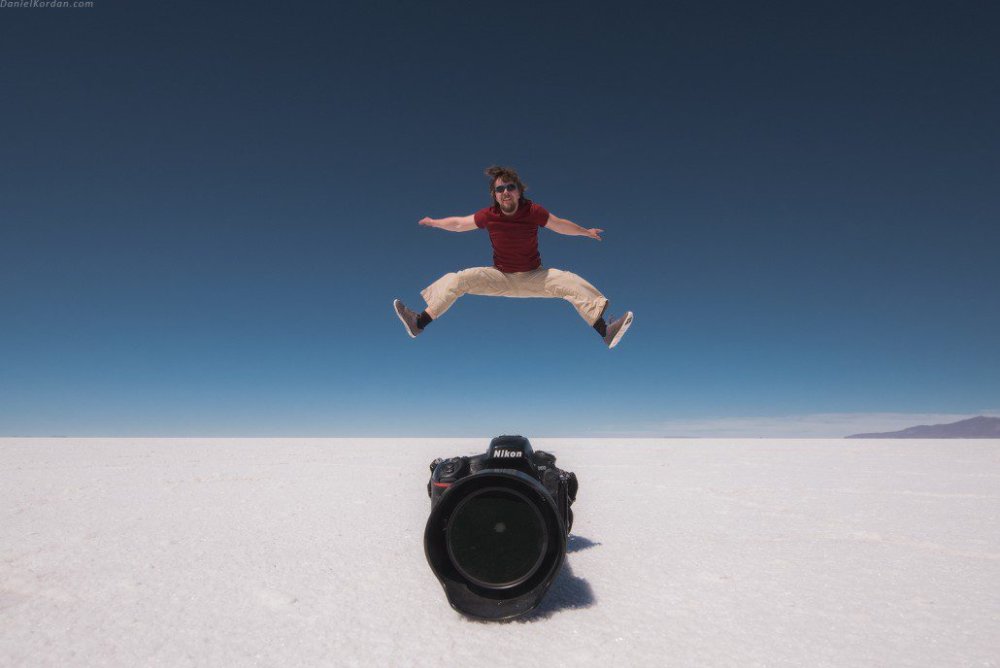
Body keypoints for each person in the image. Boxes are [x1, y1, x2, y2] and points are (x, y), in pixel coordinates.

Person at [393, 166, 634, 348]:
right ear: (494, 195)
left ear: (519, 191)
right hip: (500, 276)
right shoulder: (489, 215)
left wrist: (585, 232)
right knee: (459, 279)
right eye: (500, 189)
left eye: (510, 187)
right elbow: (458, 224)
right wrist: (435, 222)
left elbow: (559, 225)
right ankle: (419, 322)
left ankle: (606, 331)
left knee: (569, 281)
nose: (505, 192)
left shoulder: (533, 211)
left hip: (534, 276)